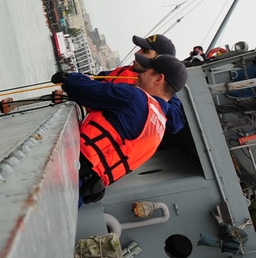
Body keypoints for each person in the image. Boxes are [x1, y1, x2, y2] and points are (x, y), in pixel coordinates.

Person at [52, 53, 188, 205]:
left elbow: (89, 91)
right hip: (81, 192)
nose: (139, 75)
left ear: (159, 79)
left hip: (67, 170)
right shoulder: (160, 130)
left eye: (145, 71)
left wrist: (68, 79)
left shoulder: (136, 97)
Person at [96, 33, 185, 135]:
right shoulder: (128, 70)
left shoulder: (164, 90)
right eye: (140, 49)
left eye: (145, 51)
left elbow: (175, 122)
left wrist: (147, 92)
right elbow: (98, 79)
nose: (137, 53)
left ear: (160, 60)